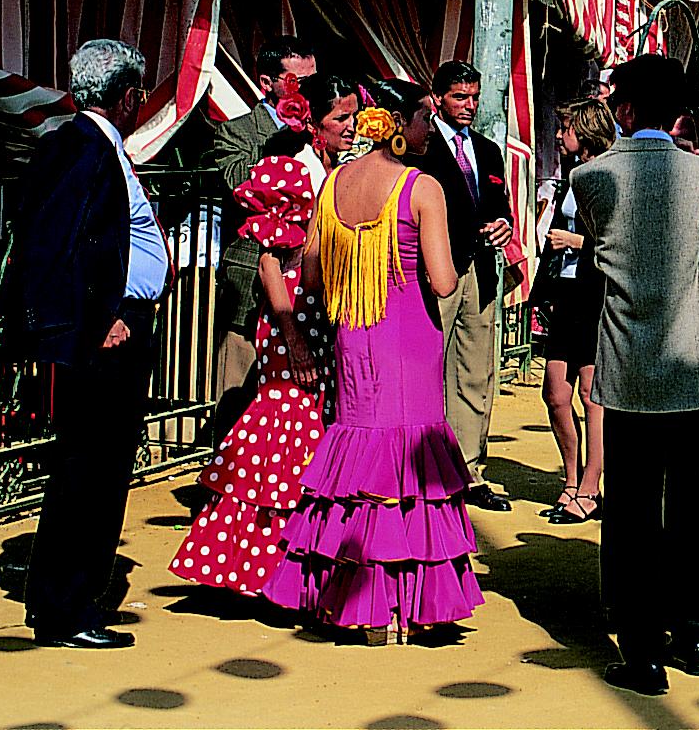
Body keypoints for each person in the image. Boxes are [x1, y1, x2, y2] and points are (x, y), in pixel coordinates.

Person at [264, 81, 484, 641]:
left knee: (358, 467)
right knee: (410, 468)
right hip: (409, 335)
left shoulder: (335, 182)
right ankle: (408, 606)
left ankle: (357, 605)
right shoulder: (422, 186)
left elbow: (310, 276)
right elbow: (440, 278)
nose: (429, 129)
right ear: (401, 125)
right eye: (423, 119)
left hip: (353, 337)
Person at [570, 55, 699, 696]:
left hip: (630, 366)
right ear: (680, 115)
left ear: (625, 108)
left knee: (633, 510)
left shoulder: (591, 177)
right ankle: (694, 632)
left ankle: (639, 645)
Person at [6, 40, 167, 649]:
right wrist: (99, 317)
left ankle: (73, 596)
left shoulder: (95, 146)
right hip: (102, 338)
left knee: (98, 469)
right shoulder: (80, 146)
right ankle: (65, 607)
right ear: (126, 97)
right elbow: (56, 244)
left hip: (116, 327)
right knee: (88, 474)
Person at [171, 155, 329, 597]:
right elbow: (271, 272)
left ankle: (255, 570)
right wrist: (297, 341)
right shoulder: (282, 249)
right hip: (290, 363)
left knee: (275, 464)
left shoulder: (291, 240)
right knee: (280, 462)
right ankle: (263, 573)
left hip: (296, 360)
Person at [417, 61, 516, 512]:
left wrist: (503, 224)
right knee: (428, 368)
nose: (469, 106)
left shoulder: (489, 150)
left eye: (474, 97)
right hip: (436, 269)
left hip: (481, 270)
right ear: (438, 98)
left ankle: (469, 471)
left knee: (476, 372)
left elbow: (501, 204)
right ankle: (424, 470)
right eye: (460, 97)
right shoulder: (420, 146)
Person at [209, 36, 316, 446]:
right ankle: (224, 482)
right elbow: (237, 182)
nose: (304, 90)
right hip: (253, 277)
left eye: (311, 80)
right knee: (238, 386)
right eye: (295, 81)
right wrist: (282, 148)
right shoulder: (236, 131)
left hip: (306, 281)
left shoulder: (321, 132)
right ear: (268, 82)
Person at [535, 97, 615, 526]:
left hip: (595, 291)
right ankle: (571, 479)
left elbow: (619, 242)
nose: (560, 136)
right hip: (566, 291)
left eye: (566, 128)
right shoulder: (572, 175)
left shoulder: (605, 175)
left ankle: (589, 486)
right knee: (555, 391)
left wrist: (575, 243)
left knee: (590, 393)